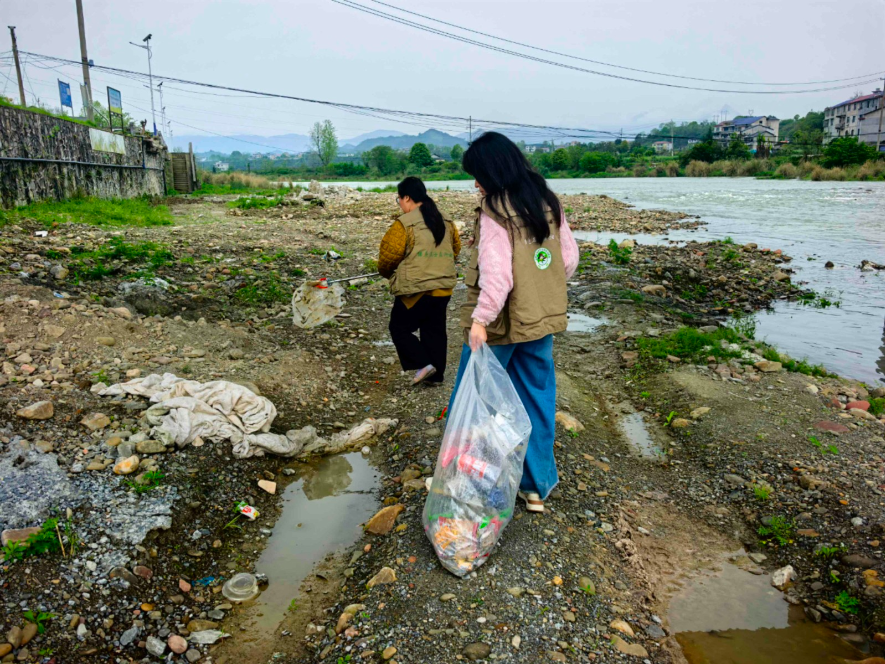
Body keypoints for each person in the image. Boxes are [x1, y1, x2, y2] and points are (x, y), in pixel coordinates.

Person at [450, 132, 579, 513]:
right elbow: (568, 260)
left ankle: (468, 481)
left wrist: (480, 320)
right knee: (537, 397)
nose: (475, 183)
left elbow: (497, 276)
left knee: (475, 399)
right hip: (541, 320)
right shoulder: (547, 200)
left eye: (477, 175)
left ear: (492, 171)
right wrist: (538, 288)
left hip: (500, 326)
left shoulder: (495, 210)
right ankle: (536, 487)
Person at [378, 176, 461, 385]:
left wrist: (388, 273)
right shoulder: (446, 220)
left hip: (416, 289)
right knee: (434, 330)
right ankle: (436, 376)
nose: (400, 204)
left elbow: (388, 258)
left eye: (399, 199)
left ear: (407, 197)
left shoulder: (405, 223)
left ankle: (423, 364)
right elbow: (455, 250)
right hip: (443, 286)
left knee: (399, 328)